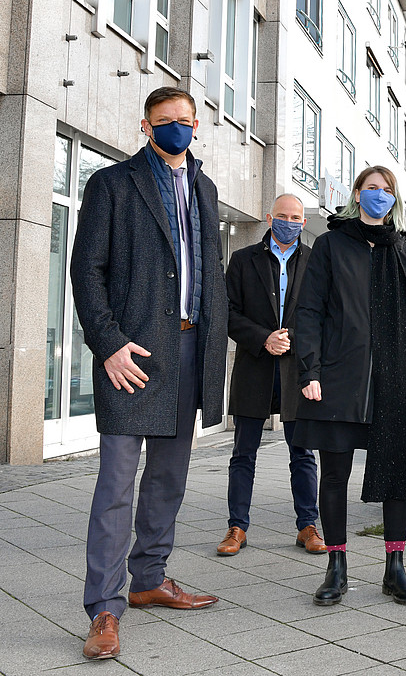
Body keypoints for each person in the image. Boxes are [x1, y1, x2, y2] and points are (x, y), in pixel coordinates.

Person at [70, 87, 228, 660]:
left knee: (169, 478)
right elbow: (86, 271)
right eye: (166, 121)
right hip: (131, 354)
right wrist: (108, 344)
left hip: (188, 349)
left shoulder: (205, 188)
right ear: (146, 126)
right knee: (116, 484)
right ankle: (104, 608)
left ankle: (149, 579)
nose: (177, 128)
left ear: (196, 125)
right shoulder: (112, 184)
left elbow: (209, 272)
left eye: (185, 120)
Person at [293, 165, 406, 606]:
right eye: (372, 188)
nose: (380, 195)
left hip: (396, 379)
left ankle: (395, 567)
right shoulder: (331, 244)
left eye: (387, 189)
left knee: (397, 473)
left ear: (394, 199)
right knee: (334, 473)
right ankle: (336, 567)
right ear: (357, 194)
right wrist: (310, 370)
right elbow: (309, 311)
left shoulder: (404, 253)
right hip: (339, 377)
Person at [217, 194, 325, 557]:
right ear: (268, 217)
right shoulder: (242, 260)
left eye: (296, 217)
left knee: (303, 453)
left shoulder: (315, 262)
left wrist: (289, 338)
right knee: (243, 453)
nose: (289, 222)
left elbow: (324, 315)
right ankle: (237, 527)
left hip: (298, 371)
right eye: (283, 215)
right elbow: (227, 313)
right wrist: (264, 338)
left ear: (303, 222)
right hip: (254, 366)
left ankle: (308, 526)